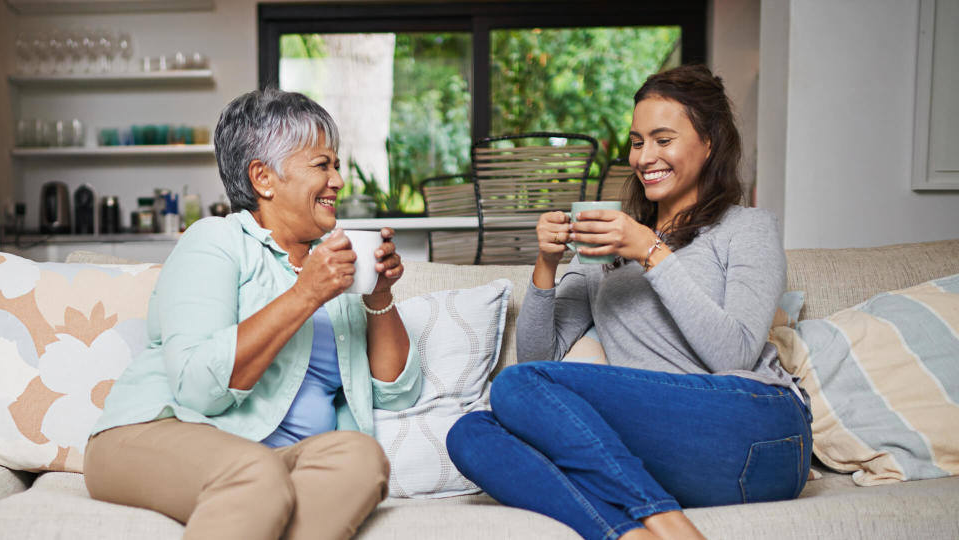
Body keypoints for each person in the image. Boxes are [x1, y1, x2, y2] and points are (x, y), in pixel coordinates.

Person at [446, 64, 812, 540]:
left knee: (515, 386)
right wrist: (546, 265)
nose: (645, 157)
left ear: (711, 142)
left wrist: (650, 251)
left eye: (663, 139)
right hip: (667, 455)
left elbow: (734, 353)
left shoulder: (746, 229)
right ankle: (628, 533)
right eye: (638, 142)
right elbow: (539, 363)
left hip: (758, 428)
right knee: (471, 434)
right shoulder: (604, 247)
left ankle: (671, 528)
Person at [83, 88, 422, 540]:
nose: (338, 180)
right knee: (254, 473)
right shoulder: (216, 241)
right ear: (263, 178)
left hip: (274, 460)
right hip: (155, 433)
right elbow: (199, 389)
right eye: (322, 165)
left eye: (337, 165)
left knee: (361, 457)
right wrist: (306, 293)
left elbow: (397, 393)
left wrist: (378, 295)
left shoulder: (333, 268)